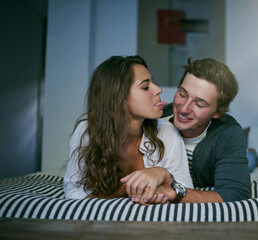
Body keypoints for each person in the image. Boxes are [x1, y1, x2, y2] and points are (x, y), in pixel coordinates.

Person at [122, 57, 251, 204]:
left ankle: (252, 155)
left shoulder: (228, 134)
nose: (183, 109)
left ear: (218, 112)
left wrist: (174, 191)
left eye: (199, 104)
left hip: (228, 156)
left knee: (250, 161)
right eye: (182, 94)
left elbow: (236, 194)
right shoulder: (155, 117)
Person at [63, 55, 193, 200]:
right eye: (145, 87)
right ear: (118, 97)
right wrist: (127, 188)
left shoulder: (166, 132)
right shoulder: (88, 130)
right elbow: (73, 192)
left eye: (153, 82)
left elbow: (186, 190)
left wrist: (162, 174)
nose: (158, 90)